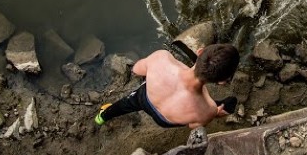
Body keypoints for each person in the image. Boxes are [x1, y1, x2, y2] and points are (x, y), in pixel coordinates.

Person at [94, 43, 239, 129]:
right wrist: (214, 111)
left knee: (125, 104)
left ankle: (102, 116)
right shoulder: (207, 110)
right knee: (217, 107)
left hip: (145, 97)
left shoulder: (162, 58)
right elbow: (193, 126)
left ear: (199, 51)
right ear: (222, 81)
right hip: (164, 120)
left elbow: (136, 69)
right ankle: (222, 109)